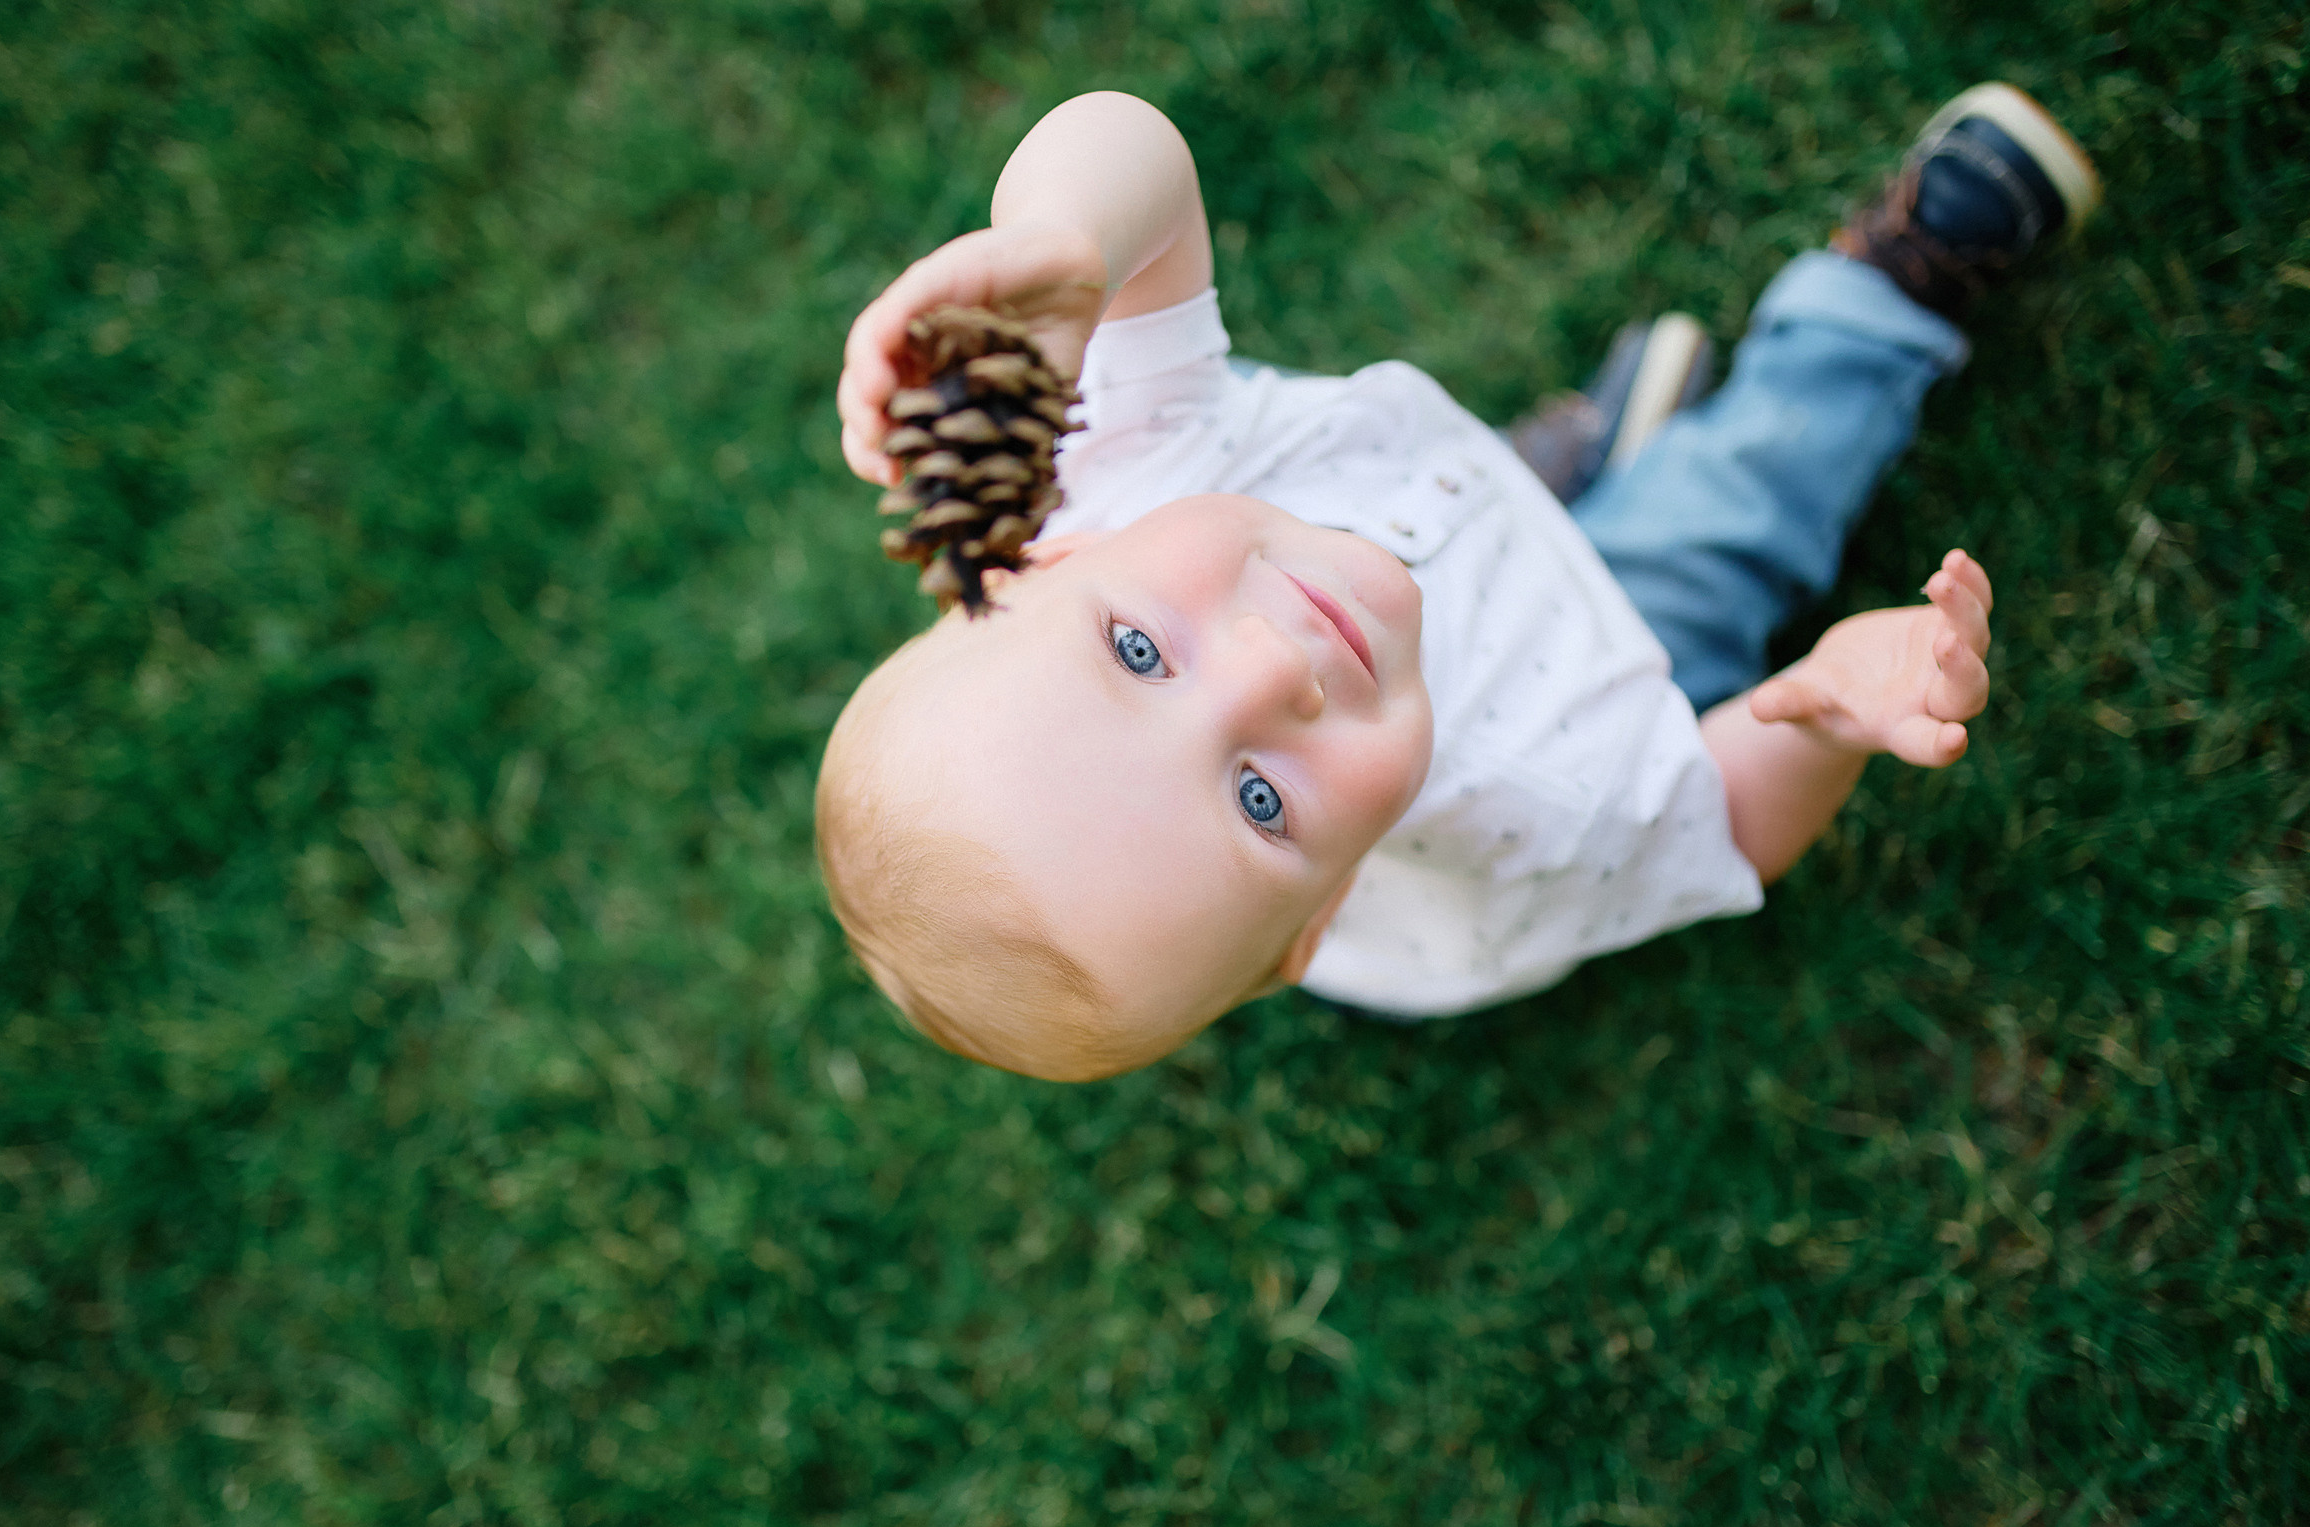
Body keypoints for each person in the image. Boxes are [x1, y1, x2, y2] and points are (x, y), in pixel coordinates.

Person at [821, 84, 2099, 1080]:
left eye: (1141, 655)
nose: (1279, 670)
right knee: (1744, 496)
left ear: (1043, 554)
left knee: (1441, 498)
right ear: (1322, 919)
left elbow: (1130, 152)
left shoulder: (1119, 474)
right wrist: (1821, 710)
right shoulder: (1535, 800)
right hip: (1603, 629)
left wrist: (1062, 249)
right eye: (1262, 799)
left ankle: (1551, 469)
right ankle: (1883, 298)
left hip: (1421, 499)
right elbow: (1721, 821)